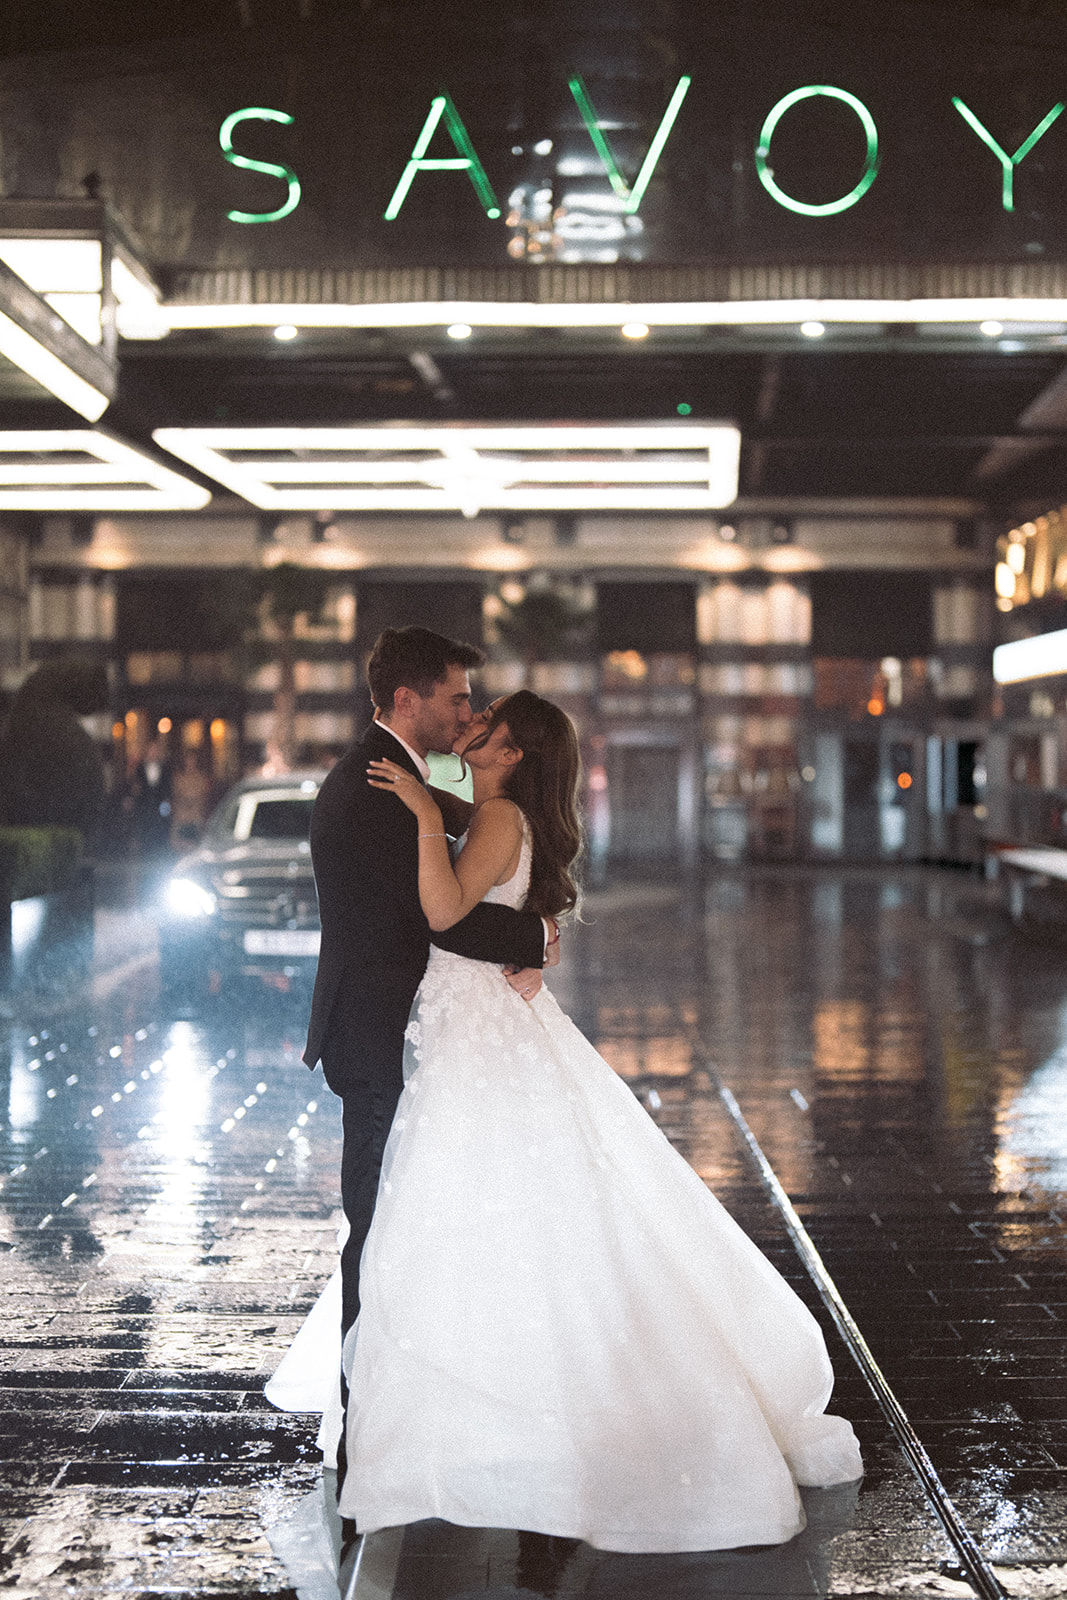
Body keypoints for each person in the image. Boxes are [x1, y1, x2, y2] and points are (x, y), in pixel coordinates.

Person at [274, 688, 862, 1554]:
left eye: (485, 726)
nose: (468, 727)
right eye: (465, 712)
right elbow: (480, 898)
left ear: (512, 753)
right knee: (476, 1208)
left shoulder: (497, 815)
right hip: (467, 1025)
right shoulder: (490, 805)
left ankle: (496, 1422)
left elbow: (439, 915)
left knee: (460, 1204)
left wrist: (424, 824)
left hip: (472, 1035)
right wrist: (526, 928)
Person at [300, 628, 554, 1483]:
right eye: (455, 696)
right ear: (407, 700)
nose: (466, 711)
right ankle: (367, 1408)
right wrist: (540, 935)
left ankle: (398, 1395)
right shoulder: (375, 787)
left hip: (404, 1028)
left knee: (407, 1217)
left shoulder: (400, 776)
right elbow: (433, 914)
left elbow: (476, 845)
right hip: (377, 1033)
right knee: (378, 1225)